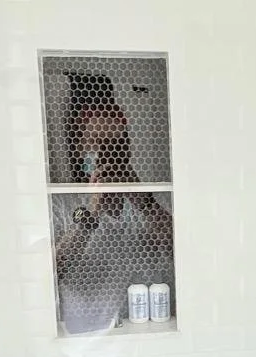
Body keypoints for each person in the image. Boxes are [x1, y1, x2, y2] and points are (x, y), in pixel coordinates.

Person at [51, 97, 175, 333]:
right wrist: (92, 213)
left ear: (127, 147)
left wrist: (145, 203)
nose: (107, 151)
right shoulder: (61, 203)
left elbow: (184, 253)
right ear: (79, 150)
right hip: (87, 334)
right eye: (97, 142)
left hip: (153, 327)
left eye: (116, 142)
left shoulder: (160, 199)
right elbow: (52, 272)